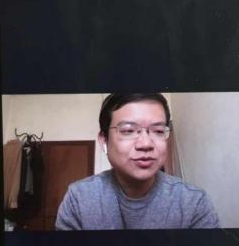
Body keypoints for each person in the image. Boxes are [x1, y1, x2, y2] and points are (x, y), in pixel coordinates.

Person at [56, 93, 220, 230]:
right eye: (128, 130)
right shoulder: (79, 199)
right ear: (104, 140)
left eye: (158, 131)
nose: (146, 144)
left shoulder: (194, 203)